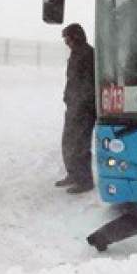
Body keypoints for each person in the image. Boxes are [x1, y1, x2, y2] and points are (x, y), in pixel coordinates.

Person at [55, 23, 97, 194]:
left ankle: (85, 180)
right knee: (69, 141)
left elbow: (88, 82)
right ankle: (73, 174)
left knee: (80, 143)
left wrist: (82, 101)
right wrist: (69, 97)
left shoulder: (88, 54)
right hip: (74, 104)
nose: (66, 41)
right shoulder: (76, 53)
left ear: (75, 37)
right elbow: (73, 81)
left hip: (85, 107)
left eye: (68, 37)